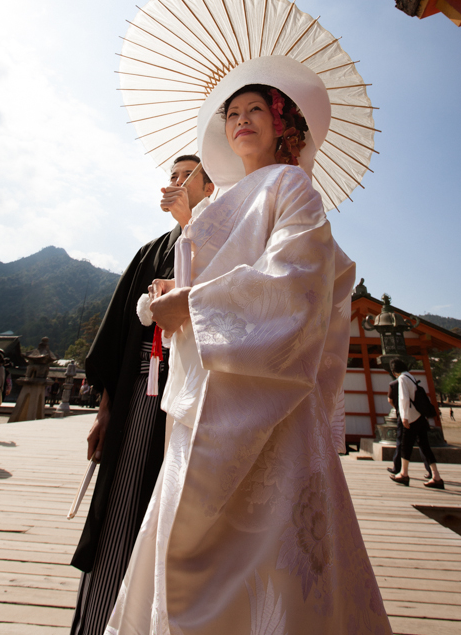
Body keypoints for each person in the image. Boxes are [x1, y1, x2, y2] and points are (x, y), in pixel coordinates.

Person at [105, 59, 391, 634]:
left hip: (270, 402)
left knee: (268, 553)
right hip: (210, 387)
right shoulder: (218, 203)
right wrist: (175, 290)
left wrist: (193, 304)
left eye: (255, 109)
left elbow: (295, 281)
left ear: (283, 122)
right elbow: (204, 282)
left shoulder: (292, 186)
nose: (240, 120)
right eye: (231, 112)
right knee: (184, 540)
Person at [70, 155, 214, 635]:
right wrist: (105, 413)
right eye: (171, 176)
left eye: (187, 175)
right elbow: (116, 339)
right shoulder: (151, 250)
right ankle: (99, 621)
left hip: (199, 400)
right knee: (123, 503)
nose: (174, 183)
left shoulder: (224, 241)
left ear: (212, 184)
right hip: (142, 398)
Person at [389, 358, 444, 489]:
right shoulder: (411, 377)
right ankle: (436, 476)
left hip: (411, 417)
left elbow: (403, 399)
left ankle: (403, 473)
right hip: (420, 417)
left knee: (405, 446)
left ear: (394, 371)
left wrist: (404, 418)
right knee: (425, 446)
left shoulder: (402, 378)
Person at [386, 370, 432, 480]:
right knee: (423, 444)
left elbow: (391, 400)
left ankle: (399, 469)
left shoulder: (393, 384)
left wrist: (399, 411)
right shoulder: (413, 381)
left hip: (404, 417)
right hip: (418, 416)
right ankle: (431, 471)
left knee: (402, 443)